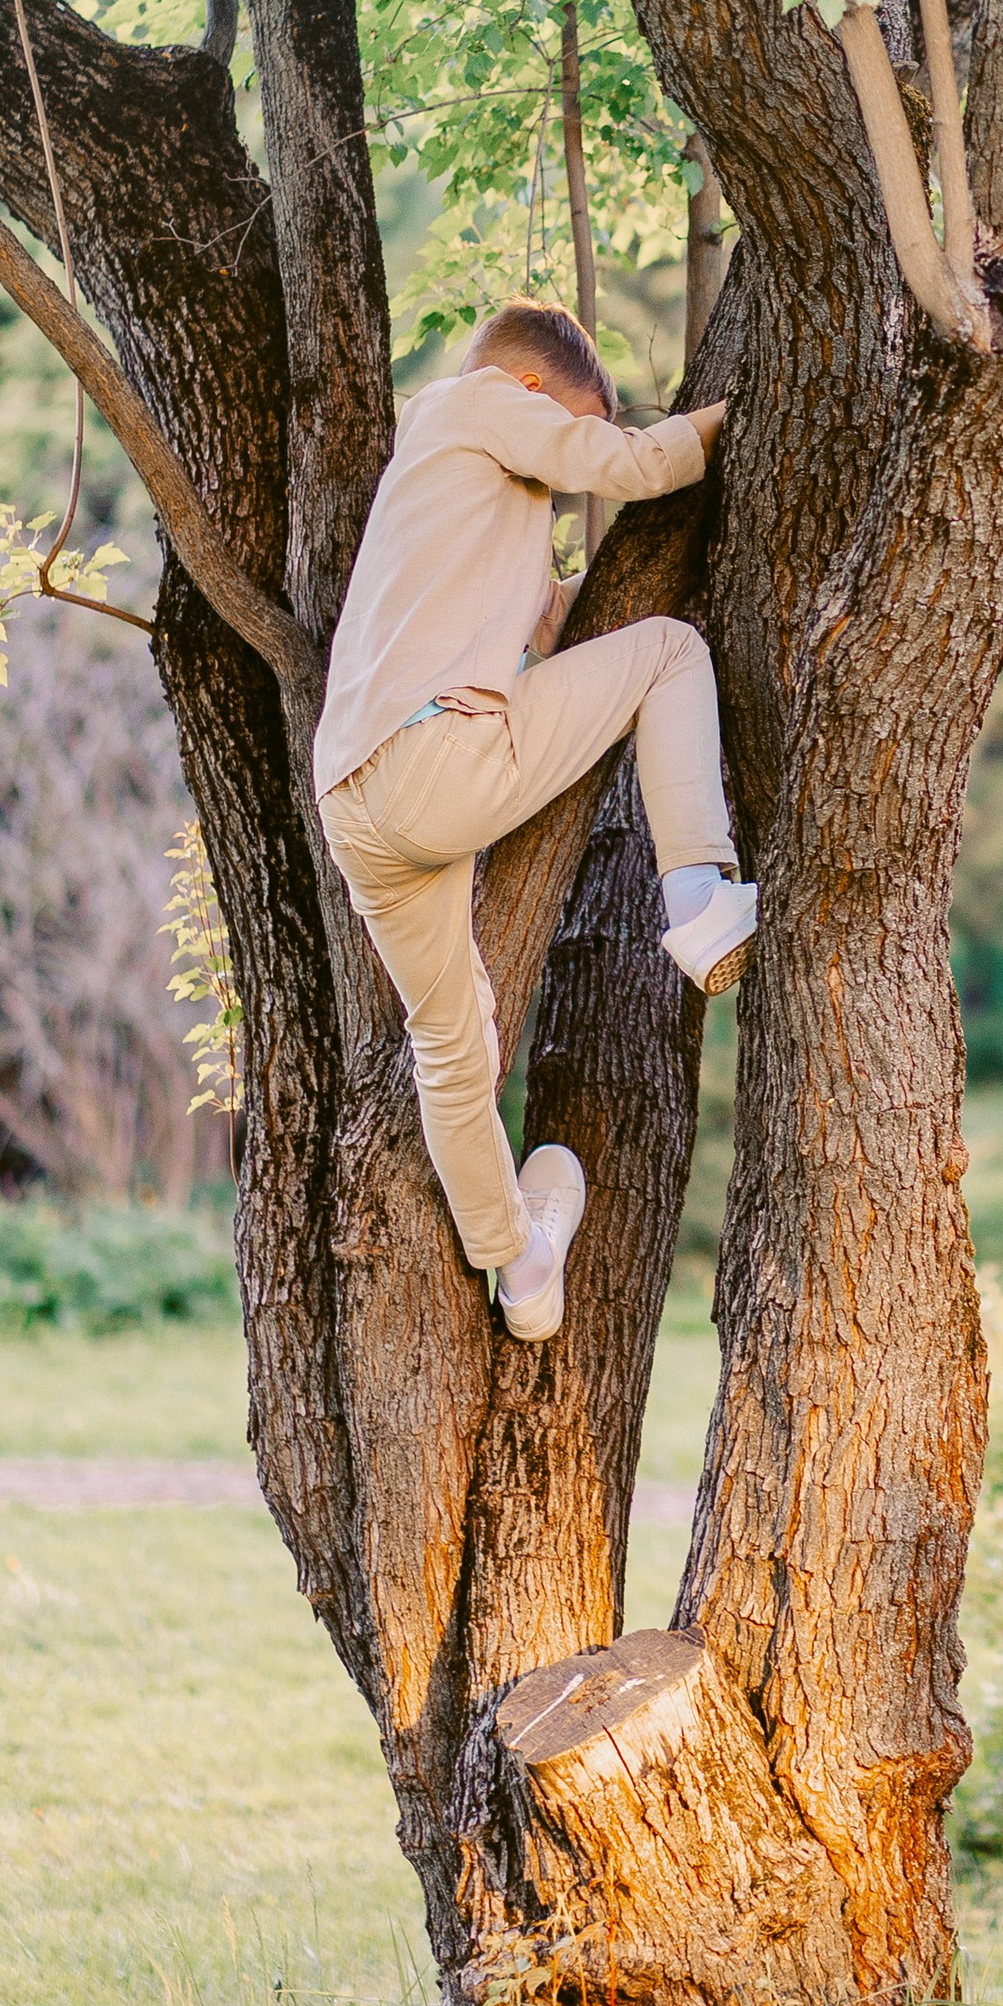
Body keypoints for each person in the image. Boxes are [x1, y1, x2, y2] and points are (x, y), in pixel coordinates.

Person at [313, 300, 752, 1344]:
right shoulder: (478, 401)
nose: (564, 463)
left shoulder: (434, 486)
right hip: (435, 760)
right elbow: (637, 468)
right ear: (531, 393)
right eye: (570, 427)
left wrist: (562, 592)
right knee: (669, 652)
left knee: (449, 1046)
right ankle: (697, 895)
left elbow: (545, 621)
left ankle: (519, 1270)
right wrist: (734, 415)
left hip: (356, 804)